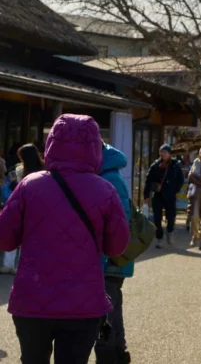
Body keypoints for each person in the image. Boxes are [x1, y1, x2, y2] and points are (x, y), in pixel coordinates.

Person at [0, 114, 130, 364]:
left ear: (51, 144)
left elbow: (5, 240)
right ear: (94, 147)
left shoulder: (29, 185)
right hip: (83, 303)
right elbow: (117, 247)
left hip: (32, 300)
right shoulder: (105, 189)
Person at [94, 143, 135, 364]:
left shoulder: (109, 179)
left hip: (110, 260)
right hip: (112, 260)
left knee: (107, 314)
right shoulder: (109, 175)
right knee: (112, 309)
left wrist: (103, 255)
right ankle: (117, 353)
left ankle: (110, 356)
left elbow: (119, 225)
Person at [1, 144, 45, 276]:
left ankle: (8, 265)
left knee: (15, 234)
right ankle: (24, 265)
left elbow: (11, 189)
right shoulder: (45, 169)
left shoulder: (18, 171)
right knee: (30, 239)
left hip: (21, 207)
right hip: (38, 208)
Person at [143, 144, 185, 248]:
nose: (162, 154)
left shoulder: (175, 165)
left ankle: (170, 231)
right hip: (157, 195)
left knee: (171, 217)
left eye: (165, 152)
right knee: (157, 218)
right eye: (161, 151)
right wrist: (146, 196)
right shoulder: (155, 165)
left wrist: (175, 190)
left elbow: (180, 180)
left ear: (169, 154)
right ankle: (159, 238)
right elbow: (148, 181)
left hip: (170, 195)